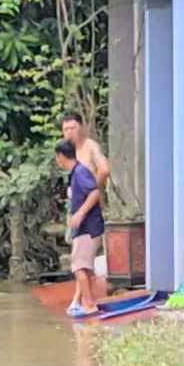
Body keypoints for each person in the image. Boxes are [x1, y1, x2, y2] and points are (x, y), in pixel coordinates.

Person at [56, 137, 105, 316]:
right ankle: (86, 302)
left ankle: (90, 305)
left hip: (87, 228)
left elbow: (94, 192)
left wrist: (80, 214)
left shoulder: (80, 172)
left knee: (78, 268)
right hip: (87, 228)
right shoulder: (77, 173)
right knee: (83, 267)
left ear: (61, 156)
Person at [61, 111, 111, 197]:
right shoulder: (65, 149)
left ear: (81, 127)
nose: (69, 132)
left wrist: (90, 187)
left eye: (73, 128)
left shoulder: (91, 146)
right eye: (66, 129)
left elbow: (105, 169)